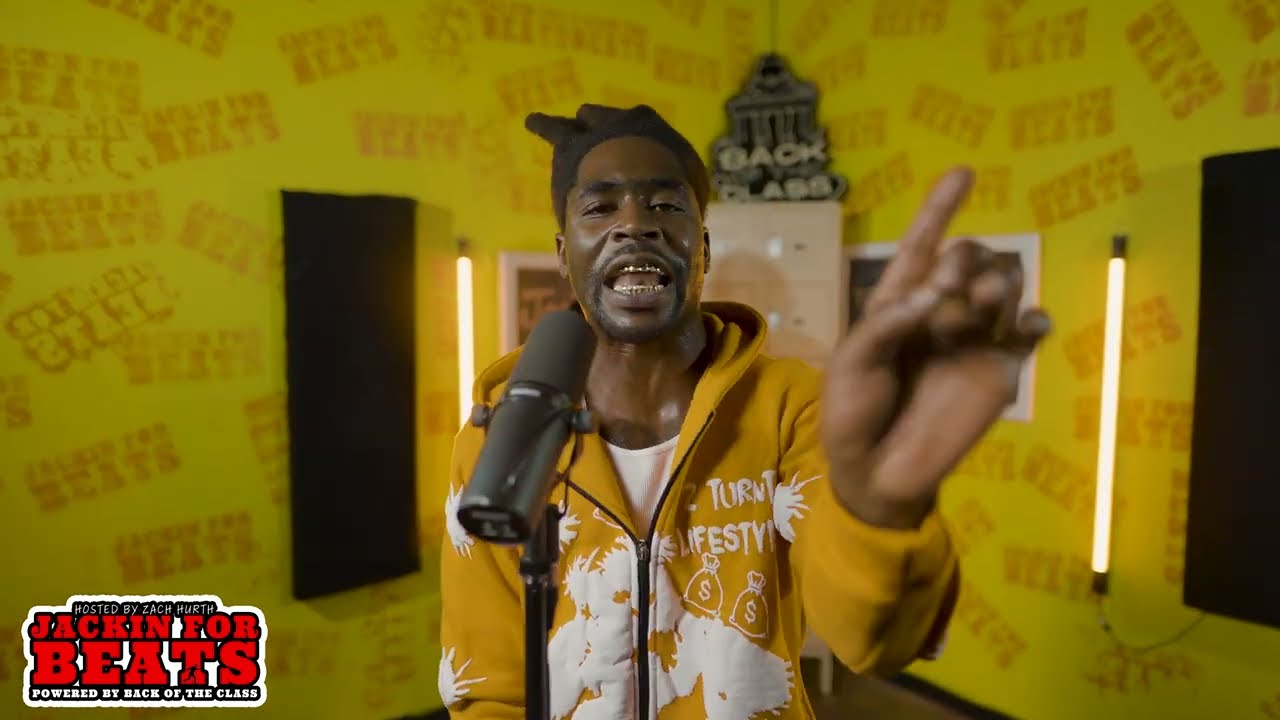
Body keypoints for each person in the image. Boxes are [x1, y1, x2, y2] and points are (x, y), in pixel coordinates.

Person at [438, 104, 1050, 720]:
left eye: (665, 205)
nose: (634, 225)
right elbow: (488, 686)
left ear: (702, 249)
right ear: (563, 252)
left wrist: (877, 512)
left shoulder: (793, 409)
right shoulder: (503, 432)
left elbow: (871, 639)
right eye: (600, 208)